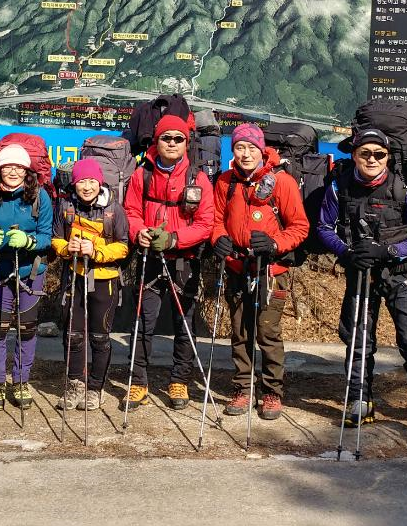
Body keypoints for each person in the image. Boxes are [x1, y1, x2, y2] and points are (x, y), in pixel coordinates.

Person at [317, 127, 407, 447]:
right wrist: (346, 253)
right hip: (360, 273)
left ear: (387, 157)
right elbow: (324, 227)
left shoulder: (403, 189)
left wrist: (389, 251)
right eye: (365, 153)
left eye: (379, 154)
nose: (372, 159)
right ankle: (360, 401)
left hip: (400, 275)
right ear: (355, 155)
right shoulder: (339, 186)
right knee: (358, 340)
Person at [210, 123, 308, 421]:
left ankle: (271, 392)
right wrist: (219, 239)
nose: (245, 154)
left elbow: (300, 227)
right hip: (237, 266)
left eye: (251, 148)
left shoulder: (282, 182)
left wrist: (275, 244)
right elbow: (216, 220)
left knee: (267, 333)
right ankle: (242, 388)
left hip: (270, 270)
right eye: (240, 147)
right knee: (240, 332)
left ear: (262, 150)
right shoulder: (226, 181)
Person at [123, 114, 214, 410]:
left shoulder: (198, 178)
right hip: (149, 258)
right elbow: (131, 211)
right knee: (142, 322)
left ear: (186, 143)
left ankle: (179, 381)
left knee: (184, 324)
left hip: (184, 260)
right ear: (157, 141)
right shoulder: (142, 175)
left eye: (178, 139)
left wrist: (175, 239)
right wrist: (139, 232)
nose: (172, 143)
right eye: (166, 138)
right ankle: (138, 382)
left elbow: (206, 223)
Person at [0, 143, 54, 412]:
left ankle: (20, 381)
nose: (14, 171)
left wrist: (29, 242)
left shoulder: (40, 196)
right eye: (8, 166)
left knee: (26, 329)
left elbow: (47, 236)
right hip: (0, 269)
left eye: (19, 167)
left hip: (31, 272)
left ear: (27, 170)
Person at [51, 159, 129, 411]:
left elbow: (123, 246)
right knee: (73, 335)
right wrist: (67, 248)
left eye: (92, 181)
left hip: (105, 281)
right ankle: (75, 384)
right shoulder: (65, 206)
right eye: (82, 181)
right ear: (74, 183)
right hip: (75, 276)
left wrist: (96, 251)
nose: (87, 187)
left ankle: (96, 388)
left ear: (100, 182)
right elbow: (56, 238)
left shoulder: (114, 209)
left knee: (99, 336)